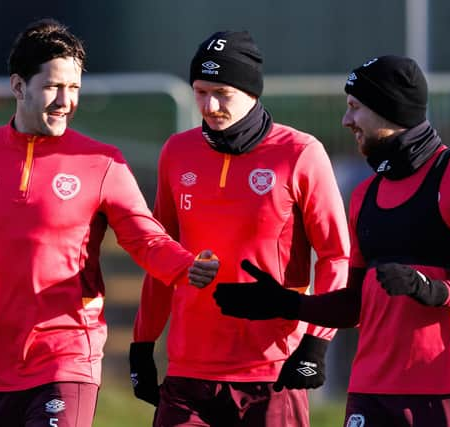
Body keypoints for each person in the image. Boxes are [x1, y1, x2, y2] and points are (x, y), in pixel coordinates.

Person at [0, 18, 218, 427]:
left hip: (67, 355)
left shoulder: (102, 162)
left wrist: (185, 267)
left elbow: (144, 238)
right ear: (18, 86)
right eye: (53, 86)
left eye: (74, 88)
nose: (65, 100)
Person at [214, 55, 450, 427]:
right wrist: (286, 303)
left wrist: (433, 290)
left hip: (446, 388)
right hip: (370, 391)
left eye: (355, 108)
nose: (346, 121)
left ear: (388, 109)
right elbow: (354, 306)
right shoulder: (364, 195)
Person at [129, 30, 350, 427]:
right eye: (199, 92)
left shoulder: (300, 153)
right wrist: (142, 345)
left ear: (251, 91)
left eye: (222, 93)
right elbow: (162, 252)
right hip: (188, 369)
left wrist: (316, 342)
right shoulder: (177, 152)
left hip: (270, 368)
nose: (209, 105)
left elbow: (336, 254)